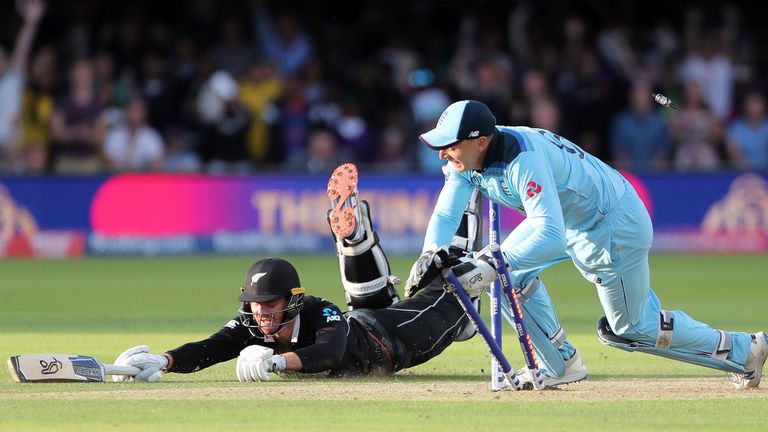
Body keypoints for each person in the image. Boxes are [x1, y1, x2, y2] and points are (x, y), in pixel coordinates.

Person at [409, 99, 767, 389]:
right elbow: (445, 215)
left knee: (630, 329)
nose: (443, 153)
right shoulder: (466, 161)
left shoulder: (521, 160)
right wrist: (430, 253)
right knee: (506, 274)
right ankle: (561, 363)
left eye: (450, 145)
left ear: (480, 142)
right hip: (577, 220)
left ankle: (746, 350)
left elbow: (550, 236)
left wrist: (486, 266)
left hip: (611, 224)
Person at [112, 163, 474, 382]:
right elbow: (211, 348)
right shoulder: (254, 322)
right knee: (376, 283)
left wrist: (277, 361)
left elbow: (330, 354)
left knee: (456, 282)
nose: (263, 314)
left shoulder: (321, 311)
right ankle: (353, 238)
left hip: (394, 338)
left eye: (270, 304)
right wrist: (164, 360)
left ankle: (468, 187)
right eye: (255, 305)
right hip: (369, 312)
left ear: (292, 301)